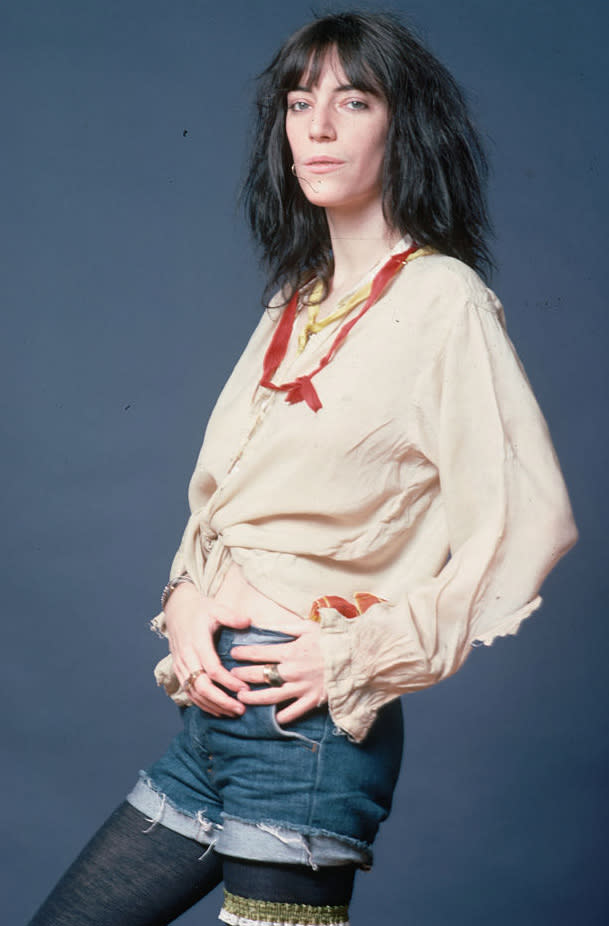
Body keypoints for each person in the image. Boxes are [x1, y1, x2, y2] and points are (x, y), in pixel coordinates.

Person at [28, 10, 577, 926]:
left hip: (305, 737)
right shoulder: (298, 297)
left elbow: (534, 519)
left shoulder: (442, 301)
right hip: (209, 733)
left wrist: (362, 652)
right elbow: (229, 500)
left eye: (352, 101)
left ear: (404, 127)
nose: (316, 127)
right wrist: (187, 599)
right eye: (298, 102)